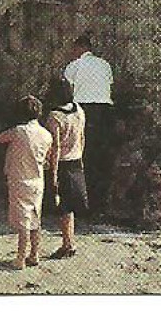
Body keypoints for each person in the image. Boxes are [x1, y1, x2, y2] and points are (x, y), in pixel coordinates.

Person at [0, 95, 54, 270]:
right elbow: (48, 159)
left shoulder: (18, 131)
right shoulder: (46, 135)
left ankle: (20, 257)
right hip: (38, 180)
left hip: (19, 179)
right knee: (36, 217)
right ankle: (34, 254)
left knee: (23, 222)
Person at [63, 34, 114, 213]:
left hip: (84, 110)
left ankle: (82, 201)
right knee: (100, 157)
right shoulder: (105, 65)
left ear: (79, 48)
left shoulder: (74, 66)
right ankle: (100, 201)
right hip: (105, 111)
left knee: (80, 155)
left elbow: (67, 91)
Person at [42, 77, 87, 259]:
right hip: (76, 160)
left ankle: (67, 243)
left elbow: (54, 148)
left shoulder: (54, 117)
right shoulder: (79, 110)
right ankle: (69, 242)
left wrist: (52, 175)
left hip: (61, 163)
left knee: (63, 206)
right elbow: (82, 137)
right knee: (70, 206)